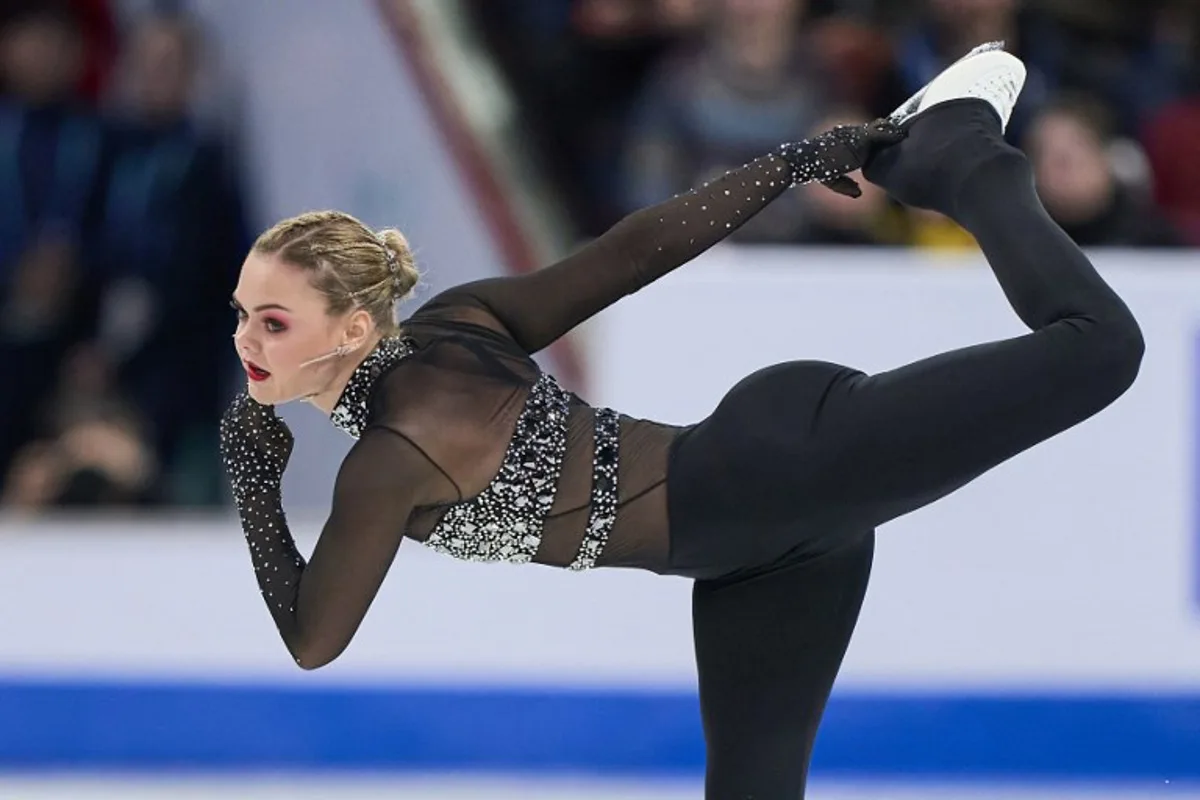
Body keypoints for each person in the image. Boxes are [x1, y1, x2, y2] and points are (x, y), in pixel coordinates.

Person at [221, 48, 1143, 799]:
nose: (246, 342)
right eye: (242, 314)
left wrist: (257, 482)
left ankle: (966, 160)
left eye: (273, 320)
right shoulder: (456, 326)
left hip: (775, 472)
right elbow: (630, 254)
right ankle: (951, 156)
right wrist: (785, 166)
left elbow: (315, 639)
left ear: (349, 327)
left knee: (1102, 349)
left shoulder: (390, 458)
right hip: (758, 553)